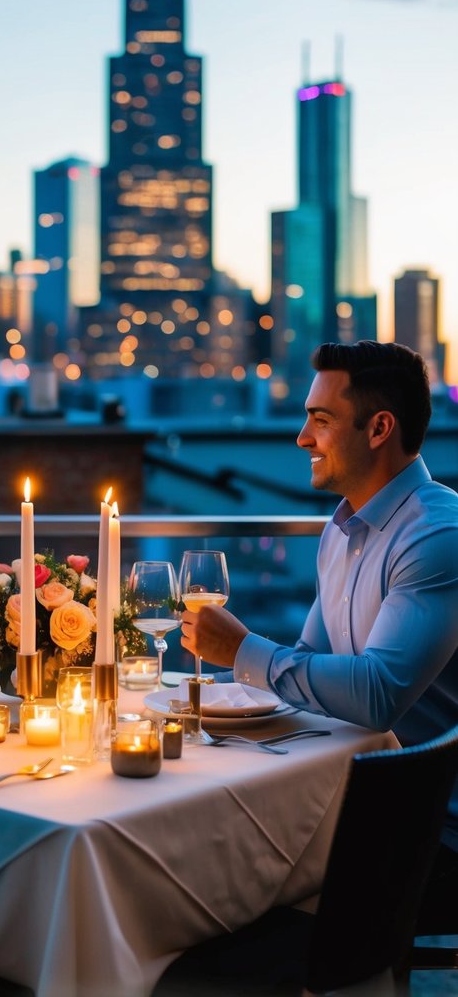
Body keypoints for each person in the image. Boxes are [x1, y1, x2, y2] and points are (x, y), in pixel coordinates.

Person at [181, 339, 458, 923]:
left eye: (320, 420)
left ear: (379, 427)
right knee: (201, 846)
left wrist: (241, 650)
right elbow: (310, 659)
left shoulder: (437, 536)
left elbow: (378, 695)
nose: (302, 438)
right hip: (357, 797)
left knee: (214, 877)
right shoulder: (342, 529)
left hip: (433, 832)